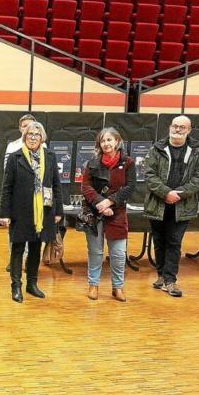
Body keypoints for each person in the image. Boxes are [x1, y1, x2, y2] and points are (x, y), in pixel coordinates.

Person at [144, 115, 199, 297]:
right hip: (158, 203)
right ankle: (161, 276)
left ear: (189, 131)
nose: (177, 130)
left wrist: (179, 194)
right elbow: (149, 174)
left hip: (182, 205)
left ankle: (170, 280)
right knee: (159, 241)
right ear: (170, 127)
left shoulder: (197, 151)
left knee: (174, 241)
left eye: (182, 127)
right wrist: (165, 193)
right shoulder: (157, 149)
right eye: (175, 126)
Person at [0, 121, 63, 303]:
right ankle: (16, 286)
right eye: (29, 135)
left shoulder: (50, 156)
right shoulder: (15, 157)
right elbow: (6, 188)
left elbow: (56, 185)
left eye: (36, 135)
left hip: (43, 211)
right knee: (18, 248)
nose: (33, 138)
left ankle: (32, 284)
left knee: (36, 248)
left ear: (42, 137)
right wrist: (4, 213)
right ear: (24, 137)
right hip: (20, 211)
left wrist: (58, 211)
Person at [81, 127, 136, 302]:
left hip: (117, 212)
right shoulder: (92, 164)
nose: (106, 143)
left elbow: (130, 187)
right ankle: (93, 285)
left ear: (117, 141)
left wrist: (111, 201)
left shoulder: (128, 163)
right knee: (95, 252)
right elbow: (86, 187)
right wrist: (101, 204)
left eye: (109, 140)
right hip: (94, 212)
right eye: (103, 141)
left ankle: (117, 288)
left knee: (119, 254)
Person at [3, 113, 36, 272]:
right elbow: (6, 173)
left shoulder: (42, 147)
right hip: (16, 197)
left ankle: (27, 261)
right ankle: (14, 259)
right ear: (19, 128)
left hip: (35, 198)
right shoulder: (12, 147)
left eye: (30, 126)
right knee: (14, 230)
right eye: (24, 126)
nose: (27, 130)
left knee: (33, 230)